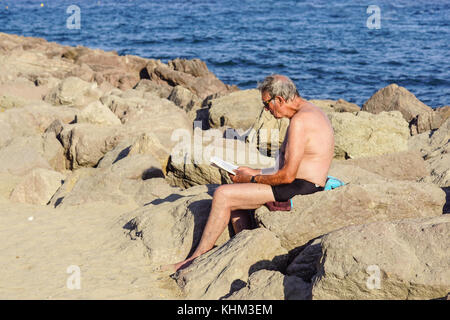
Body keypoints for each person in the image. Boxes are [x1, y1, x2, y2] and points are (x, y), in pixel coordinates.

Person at [161, 74, 335, 273]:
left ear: (279, 99)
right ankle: (245, 247)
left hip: (302, 187)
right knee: (236, 190)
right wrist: (253, 172)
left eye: (266, 104)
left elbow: (287, 176)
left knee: (222, 195)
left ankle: (194, 259)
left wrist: (251, 178)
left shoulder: (301, 121)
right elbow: (284, 168)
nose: (266, 110)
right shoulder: (307, 112)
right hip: (298, 182)